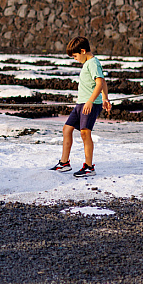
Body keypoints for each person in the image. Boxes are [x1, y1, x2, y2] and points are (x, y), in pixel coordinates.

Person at [50, 35, 111, 178]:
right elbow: (103, 82)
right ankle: (64, 163)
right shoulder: (88, 64)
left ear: (83, 51)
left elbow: (100, 83)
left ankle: (89, 167)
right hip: (81, 103)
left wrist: (92, 100)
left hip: (89, 104)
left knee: (85, 133)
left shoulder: (93, 63)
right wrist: (106, 98)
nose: (75, 59)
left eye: (75, 56)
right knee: (67, 129)